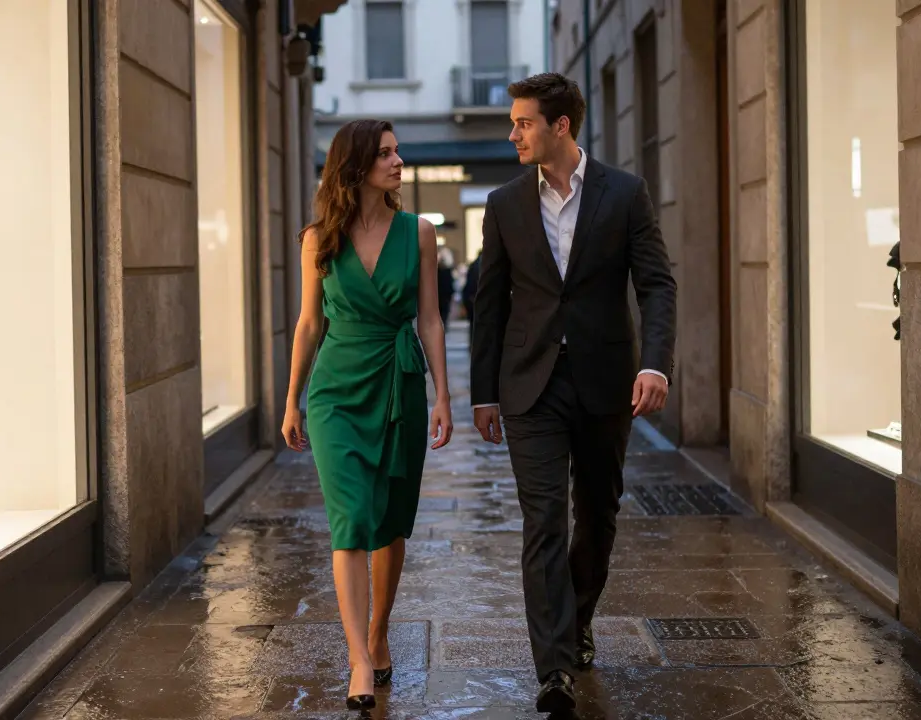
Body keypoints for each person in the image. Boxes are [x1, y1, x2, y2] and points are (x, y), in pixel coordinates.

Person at [469, 73, 677, 714]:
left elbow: (656, 286)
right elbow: (489, 303)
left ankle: (578, 619)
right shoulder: (504, 203)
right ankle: (554, 667)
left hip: (605, 381)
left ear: (560, 126)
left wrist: (656, 366)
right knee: (543, 523)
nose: (513, 134)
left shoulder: (625, 194)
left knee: (598, 516)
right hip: (529, 384)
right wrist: (483, 393)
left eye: (523, 122)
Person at [282, 119, 454, 712]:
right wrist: (292, 398)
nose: (398, 161)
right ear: (355, 166)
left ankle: (379, 631)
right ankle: (359, 655)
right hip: (335, 391)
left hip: (399, 382)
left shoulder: (420, 232)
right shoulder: (317, 239)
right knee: (351, 519)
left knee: (390, 521)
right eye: (385, 153)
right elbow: (309, 324)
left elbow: (430, 319)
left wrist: (443, 395)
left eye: (397, 151)